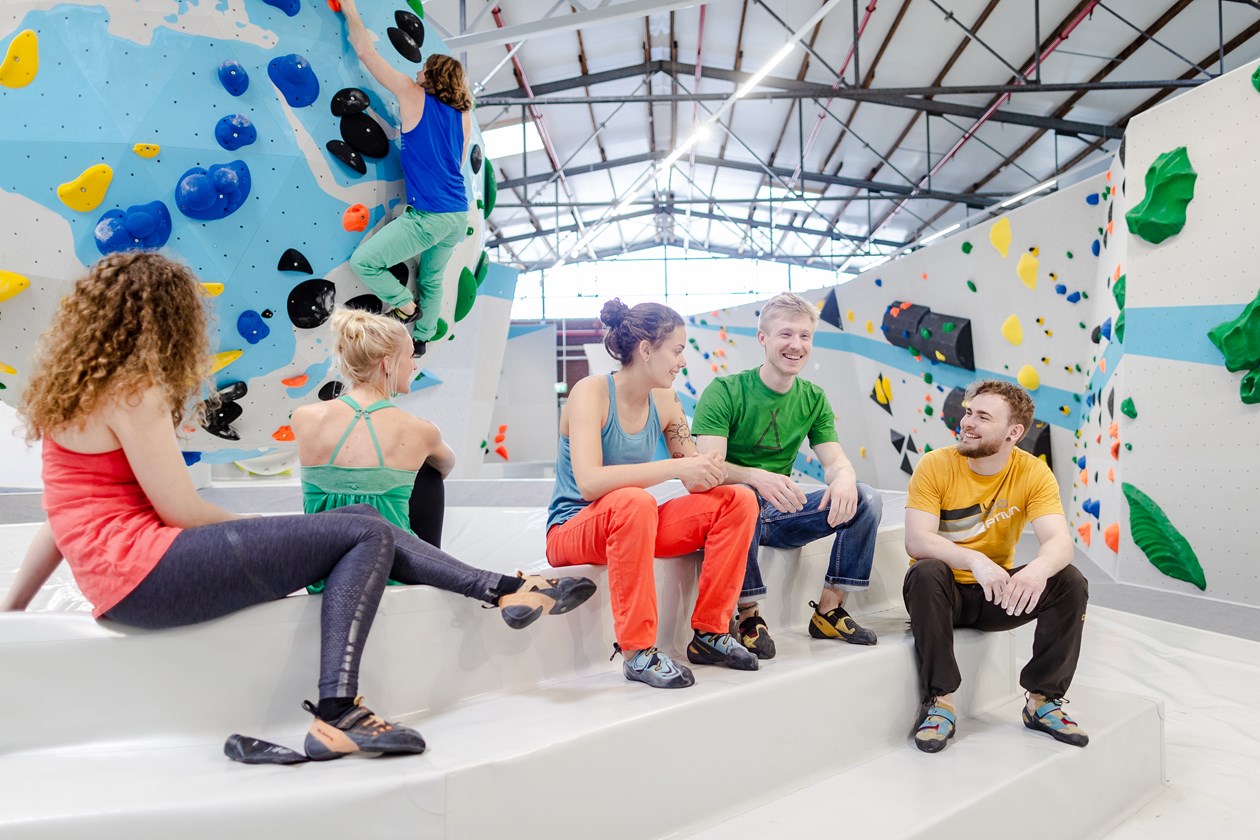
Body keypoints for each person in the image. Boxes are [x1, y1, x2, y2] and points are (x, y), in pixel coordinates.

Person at [7, 252, 594, 762]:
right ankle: (341, 709)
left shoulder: (77, 394)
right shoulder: (136, 390)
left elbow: (63, 521)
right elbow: (183, 513)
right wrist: (272, 529)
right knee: (362, 531)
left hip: (122, 583)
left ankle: (505, 590)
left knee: (361, 524)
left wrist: (12, 611)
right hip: (149, 573)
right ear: (167, 317)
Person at [546, 299, 761, 688]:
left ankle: (711, 633)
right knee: (635, 500)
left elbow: (694, 475)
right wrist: (677, 467)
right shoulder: (590, 392)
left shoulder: (666, 399)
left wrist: (731, 472)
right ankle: (638, 651)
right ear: (646, 350)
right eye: (677, 351)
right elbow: (590, 483)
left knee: (739, 500)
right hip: (572, 528)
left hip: (630, 521)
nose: (682, 361)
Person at [693, 292, 883, 660]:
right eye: (785, 334)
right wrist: (755, 478)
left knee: (866, 498)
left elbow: (835, 460)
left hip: (779, 513)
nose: (796, 345)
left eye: (805, 336)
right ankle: (748, 617)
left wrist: (843, 475)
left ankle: (829, 610)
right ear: (763, 338)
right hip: (729, 513)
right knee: (745, 498)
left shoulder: (813, 398)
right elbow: (706, 470)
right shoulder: (725, 391)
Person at [902, 379, 1089, 753]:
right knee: (926, 570)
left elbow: (1059, 542)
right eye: (969, 412)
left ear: (1013, 432)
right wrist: (974, 559)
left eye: (983, 417)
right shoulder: (936, 465)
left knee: (1069, 580)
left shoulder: (1033, 473)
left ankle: (1042, 701)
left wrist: (1037, 569)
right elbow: (917, 540)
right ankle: (941, 704)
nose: (967, 422)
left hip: (993, 595)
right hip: (941, 593)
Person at [340, 0, 473, 357]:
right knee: (431, 278)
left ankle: (405, 306)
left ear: (432, 76)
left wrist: (351, 11)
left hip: (428, 216)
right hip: (457, 214)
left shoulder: (414, 95)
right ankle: (423, 337)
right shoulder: (462, 116)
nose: (416, 72)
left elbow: (366, 52)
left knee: (364, 262)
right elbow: (457, 163)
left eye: (423, 69)